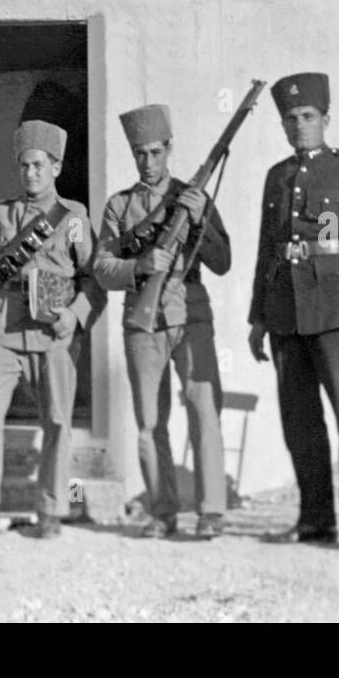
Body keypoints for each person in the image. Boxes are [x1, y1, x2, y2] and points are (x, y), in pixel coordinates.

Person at [248, 72, 339, 550]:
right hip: (285, 313)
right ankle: (315, 521)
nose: (299, 126)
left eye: (308, 117)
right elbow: (266, 250)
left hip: (337, 313)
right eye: (290, 119)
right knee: (301, 424)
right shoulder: (278, 176)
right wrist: (257, 318)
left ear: (325, 119)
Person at [94, 104, 231, 539]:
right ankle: (162, 510)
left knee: (204, 411)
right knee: (151, 421)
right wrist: (140, 265)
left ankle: (211, 512)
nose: (148, 162)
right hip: (142, 320)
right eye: (140, 153)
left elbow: (223, 261)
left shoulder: (194, 196)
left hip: (191, 315)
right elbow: (101, 267)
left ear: (169, 149)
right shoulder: (118, 206)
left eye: (155, 152)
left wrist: (198, 220)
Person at [0, 119, 104, 537]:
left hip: (53, 333)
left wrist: (74, 316)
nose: (31, 173)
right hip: (2, 331)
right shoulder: (1, 214)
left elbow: (94, 278)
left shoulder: (74, 218)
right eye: (25, 165)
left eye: (40, 165)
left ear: (57, 168)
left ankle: (51, 511)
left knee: (58, 422)